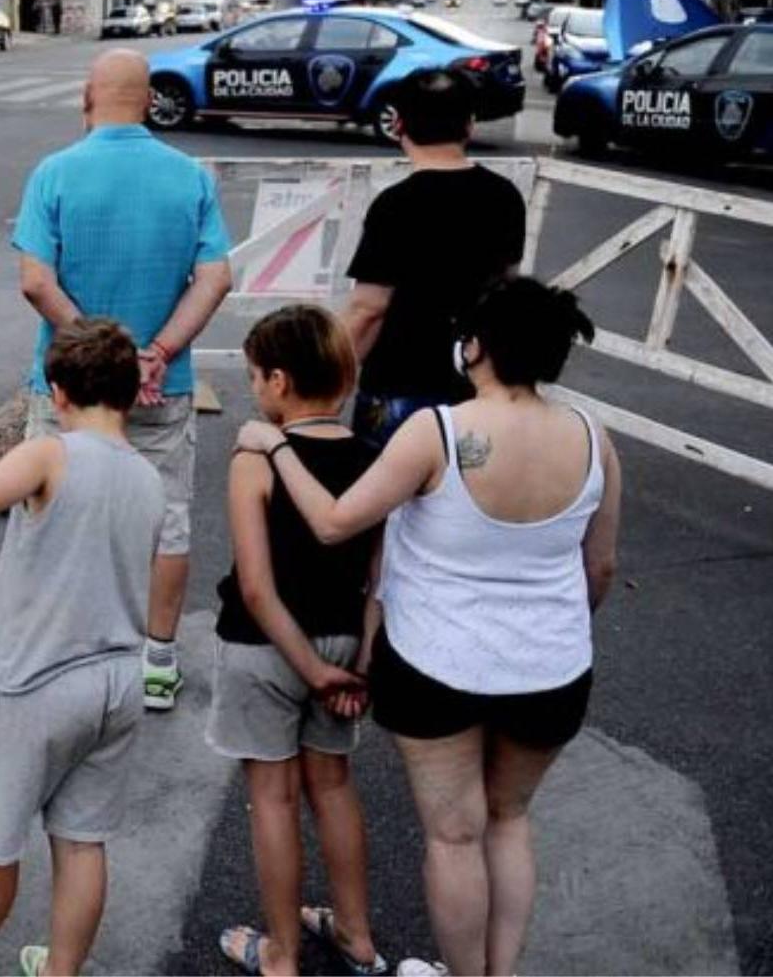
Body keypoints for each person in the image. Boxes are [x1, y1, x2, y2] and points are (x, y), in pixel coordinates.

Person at [236, 277, 621, 977]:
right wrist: (547, 632)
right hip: (553, 669)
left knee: (452, 836)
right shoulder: (592, 438)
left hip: (438, 665)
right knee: (508, 822)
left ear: (474, 347)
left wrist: (273, 445)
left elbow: (332, 522)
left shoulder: (437, 430)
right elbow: (598, 568)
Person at [0, 319, 160, 977]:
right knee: (81, 841)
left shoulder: (49, 453)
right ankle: (61, 970)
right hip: (118, 683)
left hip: (37, 683)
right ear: (129, 395)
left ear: (58, 392)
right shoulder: (148, 479)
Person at [14, 48, 234, 712]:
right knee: (165, 521)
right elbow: (216, 277)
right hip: (160, 387)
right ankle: (157, 663)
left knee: (48, 512)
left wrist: (96, 352)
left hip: (68, 388)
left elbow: (34, 281)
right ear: (145, 101)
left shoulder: (54, 173)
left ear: (88, 95)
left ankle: (52, 653)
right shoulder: (187, 176)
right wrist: (157, 350)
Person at [209, 305, 386, 977]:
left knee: (273, 798)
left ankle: (280, 953)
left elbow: (255, 587)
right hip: (344, 644)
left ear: (277, 381)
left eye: (255, 377)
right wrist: (358, 663)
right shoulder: (373, 460)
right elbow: (379, 578)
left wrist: (306, 668)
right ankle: (355, 935)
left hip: (264, 650)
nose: (254, 389)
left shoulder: (254, 458)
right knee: (333, 786)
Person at [340, 69, 525, 449]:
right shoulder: (504, 196)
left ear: (400, 125)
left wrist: (331, 382)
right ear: (469, 125)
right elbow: (506, 286)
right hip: (475, 384)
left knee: (385, 502)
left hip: (399, 382)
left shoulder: (395, 205)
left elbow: (368, 309)